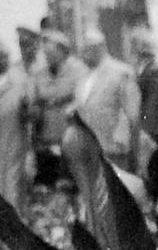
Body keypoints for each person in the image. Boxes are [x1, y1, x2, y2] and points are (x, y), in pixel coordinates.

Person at [72, 27, 143, 174]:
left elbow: (132, 111)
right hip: (87, 146)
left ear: (99, 48)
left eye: (86, 49)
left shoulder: (121, 72)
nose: (83, 54)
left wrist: (123, 137)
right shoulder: (83, 75)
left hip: (113, 145)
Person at [31, 29, 87, 186]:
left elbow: (82, 101)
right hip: (47, 139)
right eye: (46, 53)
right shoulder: (39, 72)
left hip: (71, 137)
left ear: (63, 51)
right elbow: (35, 101)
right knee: (49, 184)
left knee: (71, 183)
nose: (48, 57)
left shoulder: (79, 70)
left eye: (51, 53)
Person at [0, 42, 30, 211]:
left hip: (14, 145)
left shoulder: (20, 81)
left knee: (12, 191)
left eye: (4, 56)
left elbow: (30, 116)